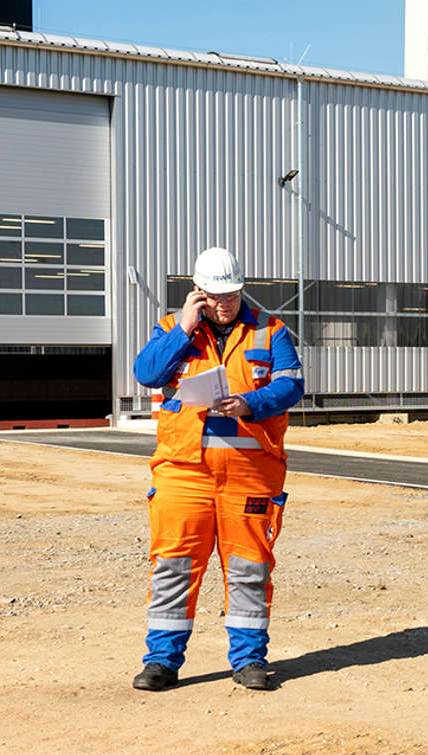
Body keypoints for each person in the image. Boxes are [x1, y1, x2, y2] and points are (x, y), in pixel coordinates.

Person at [130, 247, 304, 692]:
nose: (224, 304)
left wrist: (250, 402)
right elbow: (147, 373)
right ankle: (161, 663)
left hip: (250, 472)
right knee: (173, 567)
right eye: (213, 296)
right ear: (198, 292)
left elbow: (291, 386)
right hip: (183, 472)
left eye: (231, 294)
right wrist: (185, 326)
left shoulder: (272, 331)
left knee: (249, 569)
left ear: (242, 288)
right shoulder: (173, 328)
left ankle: (249, 661)